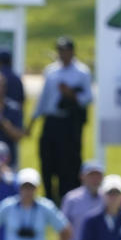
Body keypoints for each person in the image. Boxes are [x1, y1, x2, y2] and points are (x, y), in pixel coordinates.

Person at [28, 36, 93, 204]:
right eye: (60, 51)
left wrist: (71, 95)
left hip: (70, 122)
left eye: (66, 51)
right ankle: (49, 194)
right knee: (48, 158)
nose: (62, 54)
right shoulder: (51, 71)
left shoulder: (82, 72)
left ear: (72, 52)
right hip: (52, 120)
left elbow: (88, 97)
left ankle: (67, 194)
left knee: (69, 160)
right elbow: (43, 98)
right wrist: (33, 119)